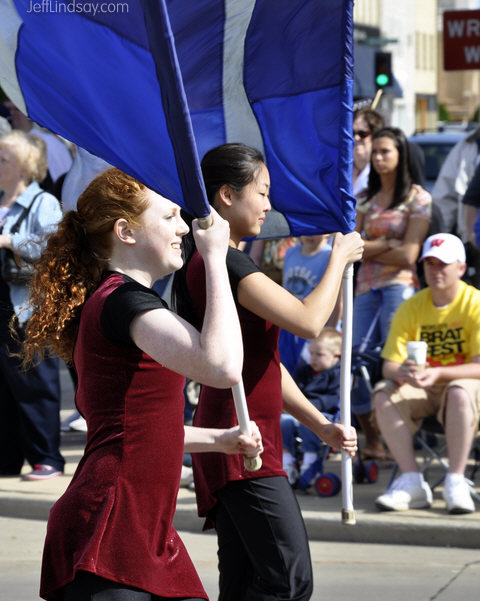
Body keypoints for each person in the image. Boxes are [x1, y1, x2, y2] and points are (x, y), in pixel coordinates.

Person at [21, 167, 262, 600]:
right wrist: (215, 259)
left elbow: (137, 427)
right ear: (125, 231)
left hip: (143, 527)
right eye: (170, 216)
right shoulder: (122, 302)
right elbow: (223, 366)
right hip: (109, 523)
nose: (184, 227)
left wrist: (221, 439)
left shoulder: (123, 301)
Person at [173, 142, 361, 601]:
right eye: (262, 191)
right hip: (239, 438)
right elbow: (309, 322)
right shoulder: (222, 264)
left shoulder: (221, 261)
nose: (269, 204)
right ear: (226, 195)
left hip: (249, 431)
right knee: (287, 580)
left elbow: (263, 365)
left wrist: (320, 425)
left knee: (243, 583)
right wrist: (338, 259)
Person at [374, 233, 480, 515]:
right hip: (421, 386)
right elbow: (389, 365)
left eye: (443, 263)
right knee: (383, 392)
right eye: (429, 263)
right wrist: (404, 372)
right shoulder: (411, 306)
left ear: (461, 267)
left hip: (463, 389)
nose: (435, 270)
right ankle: (411, 481)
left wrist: (438, 373)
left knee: (459, 390)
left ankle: (456, 479)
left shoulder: (475, 303)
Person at [353, 126, 432, 460]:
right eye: (376, 152)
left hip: (400, 286)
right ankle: (373, 439)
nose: (378, 157)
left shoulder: (418, 198)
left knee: (396, 360)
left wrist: (371, 248)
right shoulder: (365, 198)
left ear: (401, 155)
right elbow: (351, 247)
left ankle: (403, 437)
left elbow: (410, 256)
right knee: (355, 358)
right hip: (366, 287)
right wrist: (388, 243)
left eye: (385, 151)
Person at [0, 130, 64, 480]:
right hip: (1, 306)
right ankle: (6, 460)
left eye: (4, 159)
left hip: (26, 309)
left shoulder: (44, 204)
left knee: (35, 384)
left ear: (24, 168)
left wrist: (10, 239)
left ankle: (47, 459)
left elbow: (53, 246)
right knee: (4, 389)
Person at [282, 328, 342, 483]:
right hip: (302, 411)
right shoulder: (305, 371)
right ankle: (287, 459)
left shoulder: (339, 374)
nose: (313, 359)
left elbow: (331, 399)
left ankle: (310, 459)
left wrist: (307, 406)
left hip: (326, 413)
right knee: (283, 421)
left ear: (336, 355)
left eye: (319, 355)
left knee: (307, 424)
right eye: (312, 353)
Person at [279, 234, 341, 375]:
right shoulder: (290, 252)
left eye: (317, 229)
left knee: (308, 370)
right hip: (290, 324)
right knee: (286, 368)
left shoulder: (330, 256)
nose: (310, 233)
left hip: (315, 326)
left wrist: (330, 331)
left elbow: (337, 300)